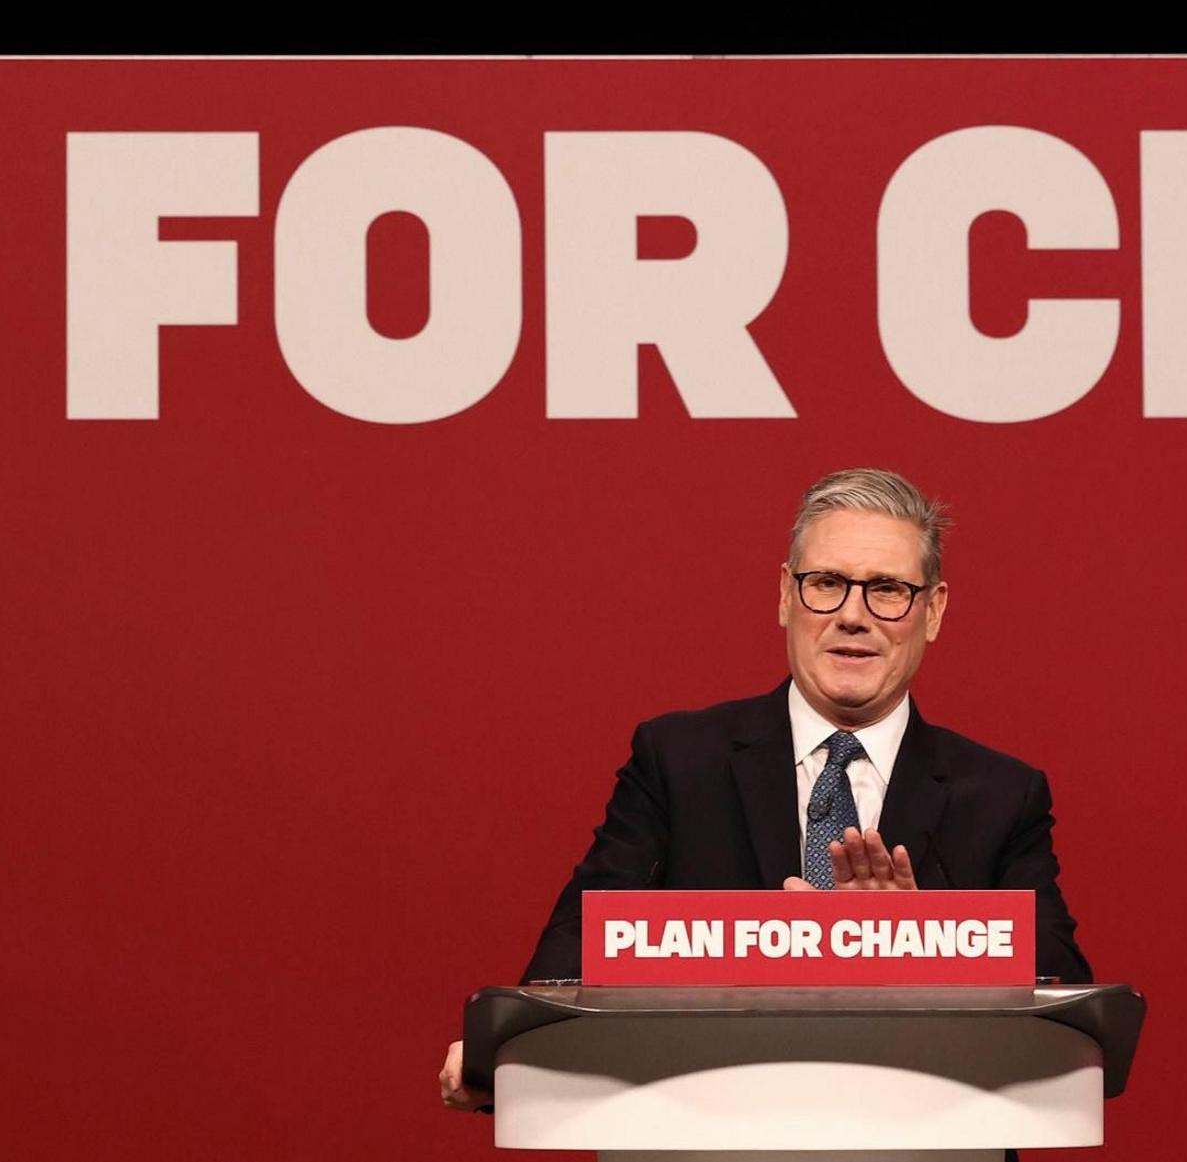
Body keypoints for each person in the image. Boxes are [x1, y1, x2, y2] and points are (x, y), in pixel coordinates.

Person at [436, 467, 1087, 1110]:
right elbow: (578, 948)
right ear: (784, 594)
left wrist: (921, 941)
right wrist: (507, 1057)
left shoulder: (1002, 796)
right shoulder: (679, 761)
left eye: (887, 588)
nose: (852, 616)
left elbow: (1065, 1000)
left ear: (933, 609)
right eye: (826, 583)